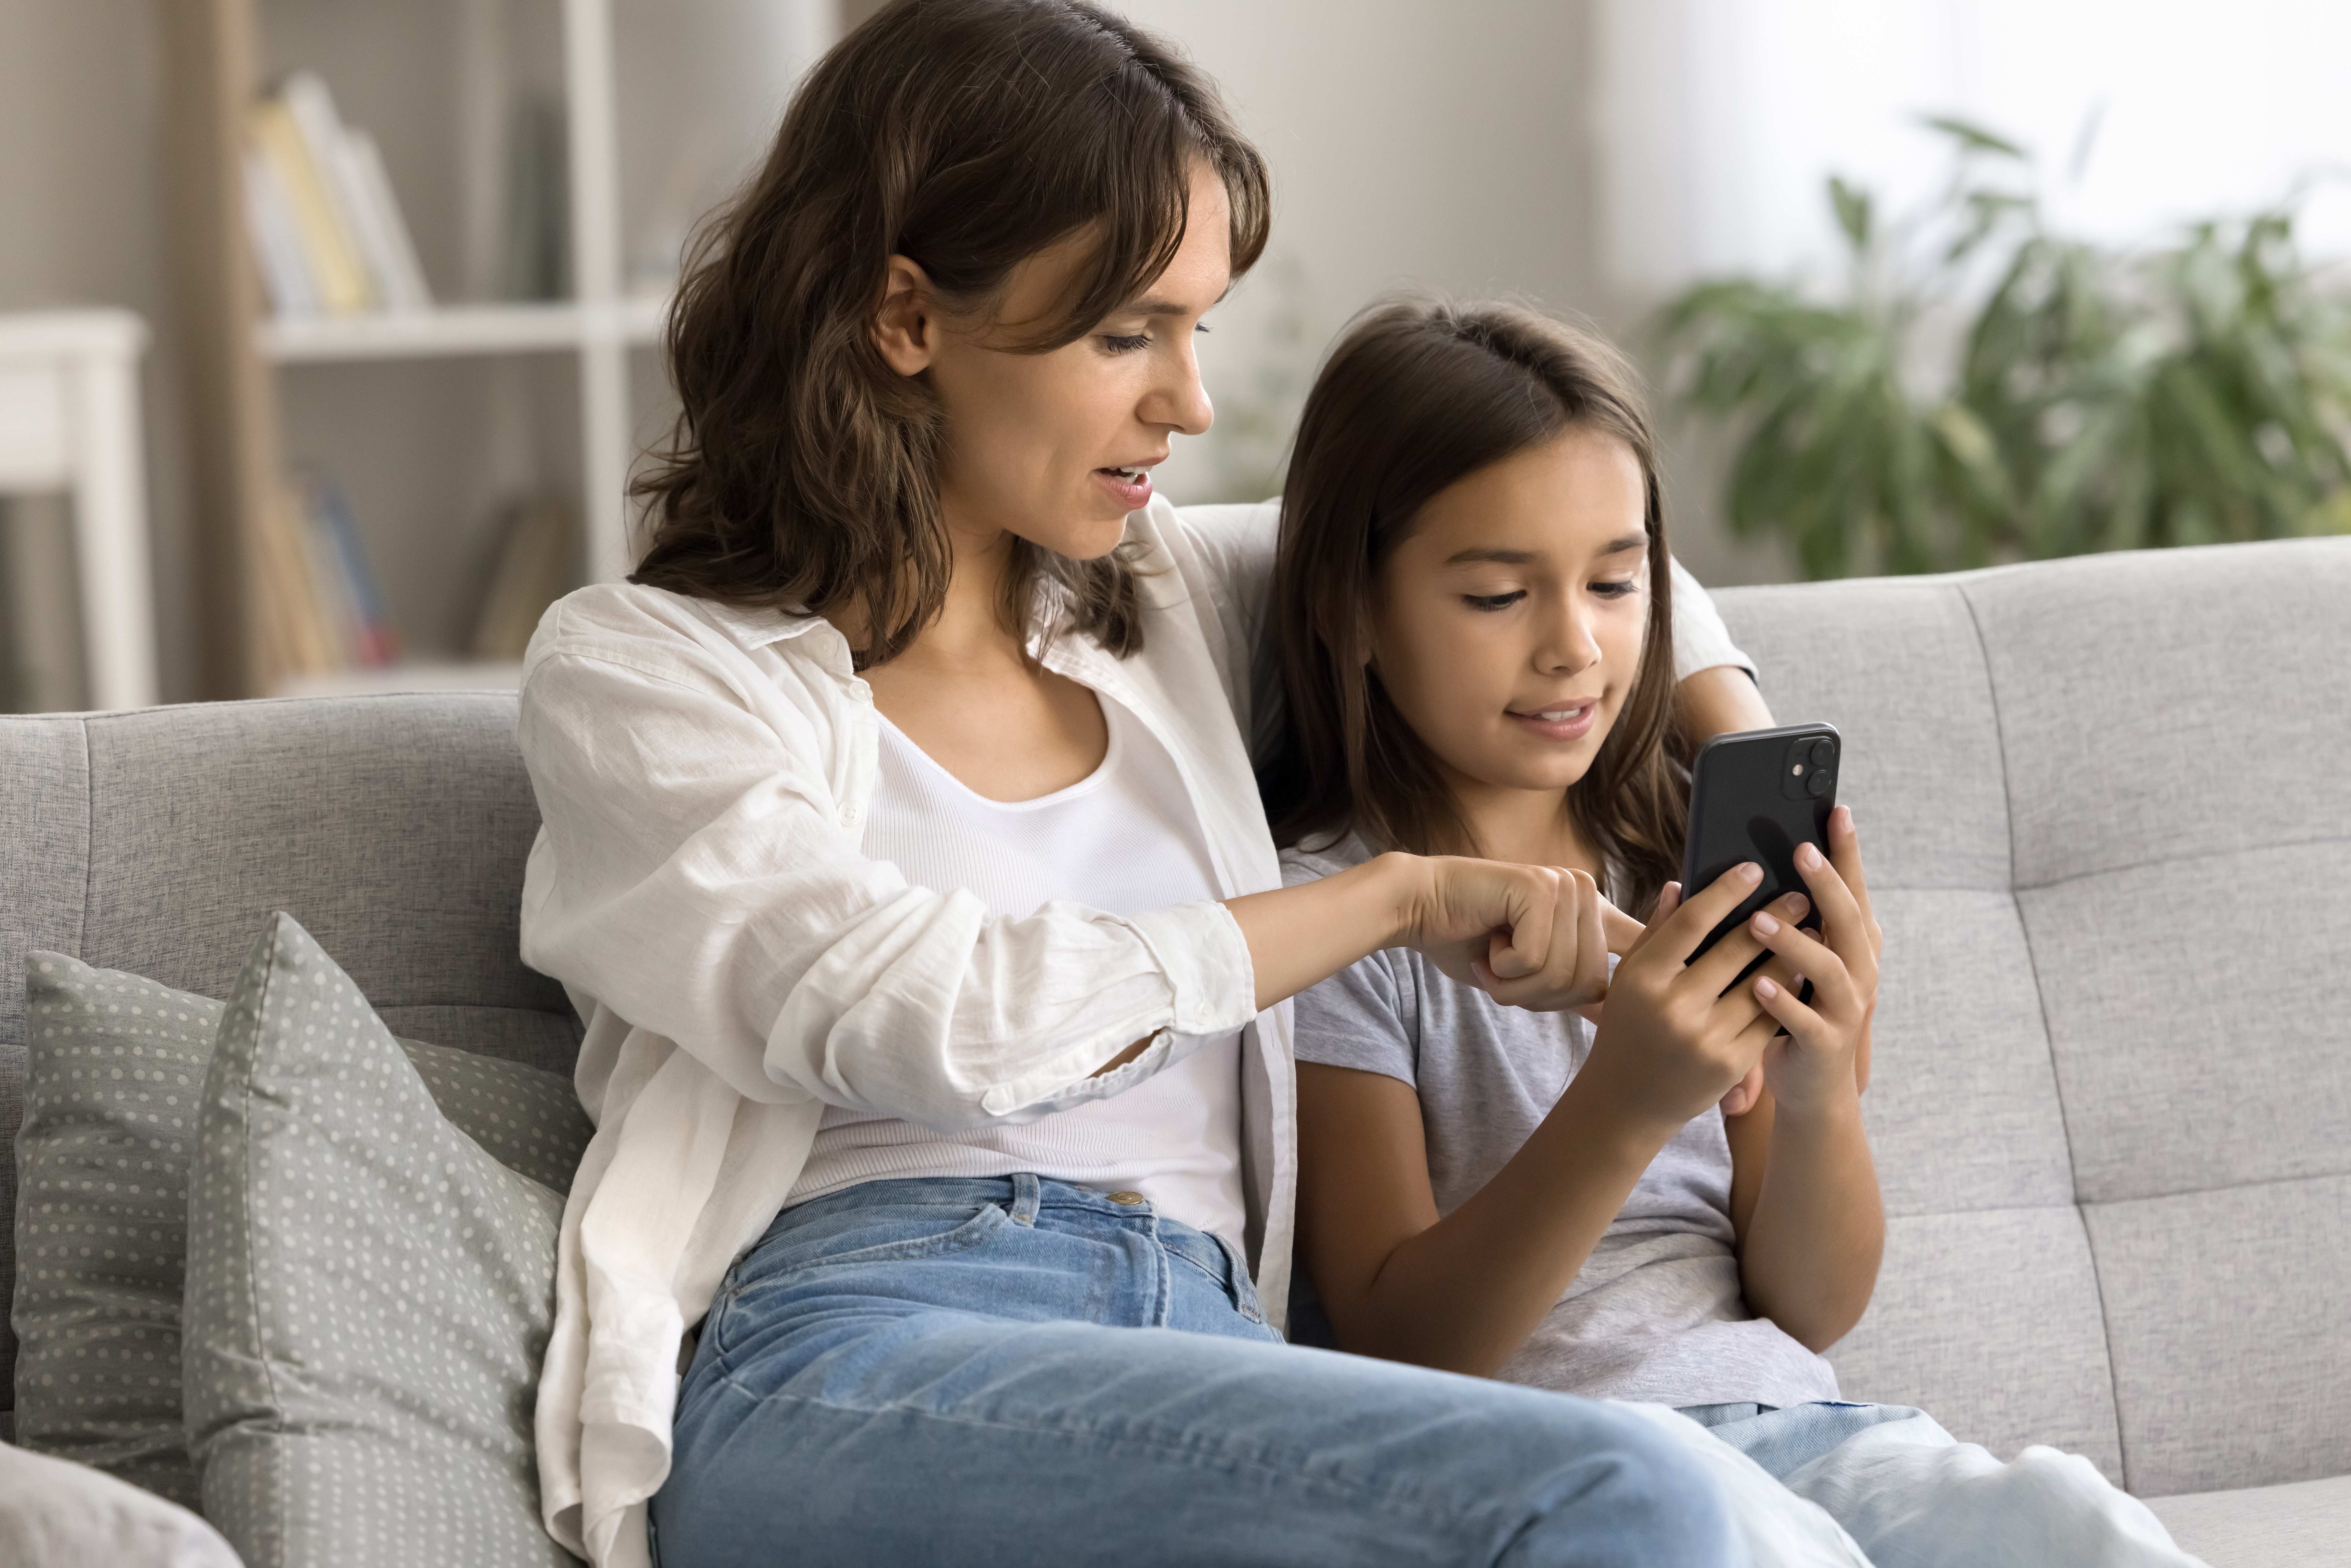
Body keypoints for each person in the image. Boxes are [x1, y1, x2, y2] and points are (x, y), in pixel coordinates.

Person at [514, 5, 1775, 1566]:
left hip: (1201, 1345)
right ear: (906, 317)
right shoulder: (647, 674)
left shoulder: (1153, 595)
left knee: (1682, 1498)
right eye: (1126, 334)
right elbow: (939, 1020)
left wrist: (1742, 771)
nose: (1189, 401)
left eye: (1199, 327)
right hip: (862, 1347)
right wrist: (1384, 899)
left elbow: (1540, 520)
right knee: (1621, 1492)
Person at [1267, 298, 2205, 1568]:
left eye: (1611, 582)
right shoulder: (1336, 914)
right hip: (1565, 1469)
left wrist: (1819, 1086)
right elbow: (1398, 1347)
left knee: (2065, 1522)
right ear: (1352, 608)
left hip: (1803, 1425)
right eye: (1497, 594)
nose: (1573, 646)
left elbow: (1811, 1306)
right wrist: (1628, 1100)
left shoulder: (1682, 866)